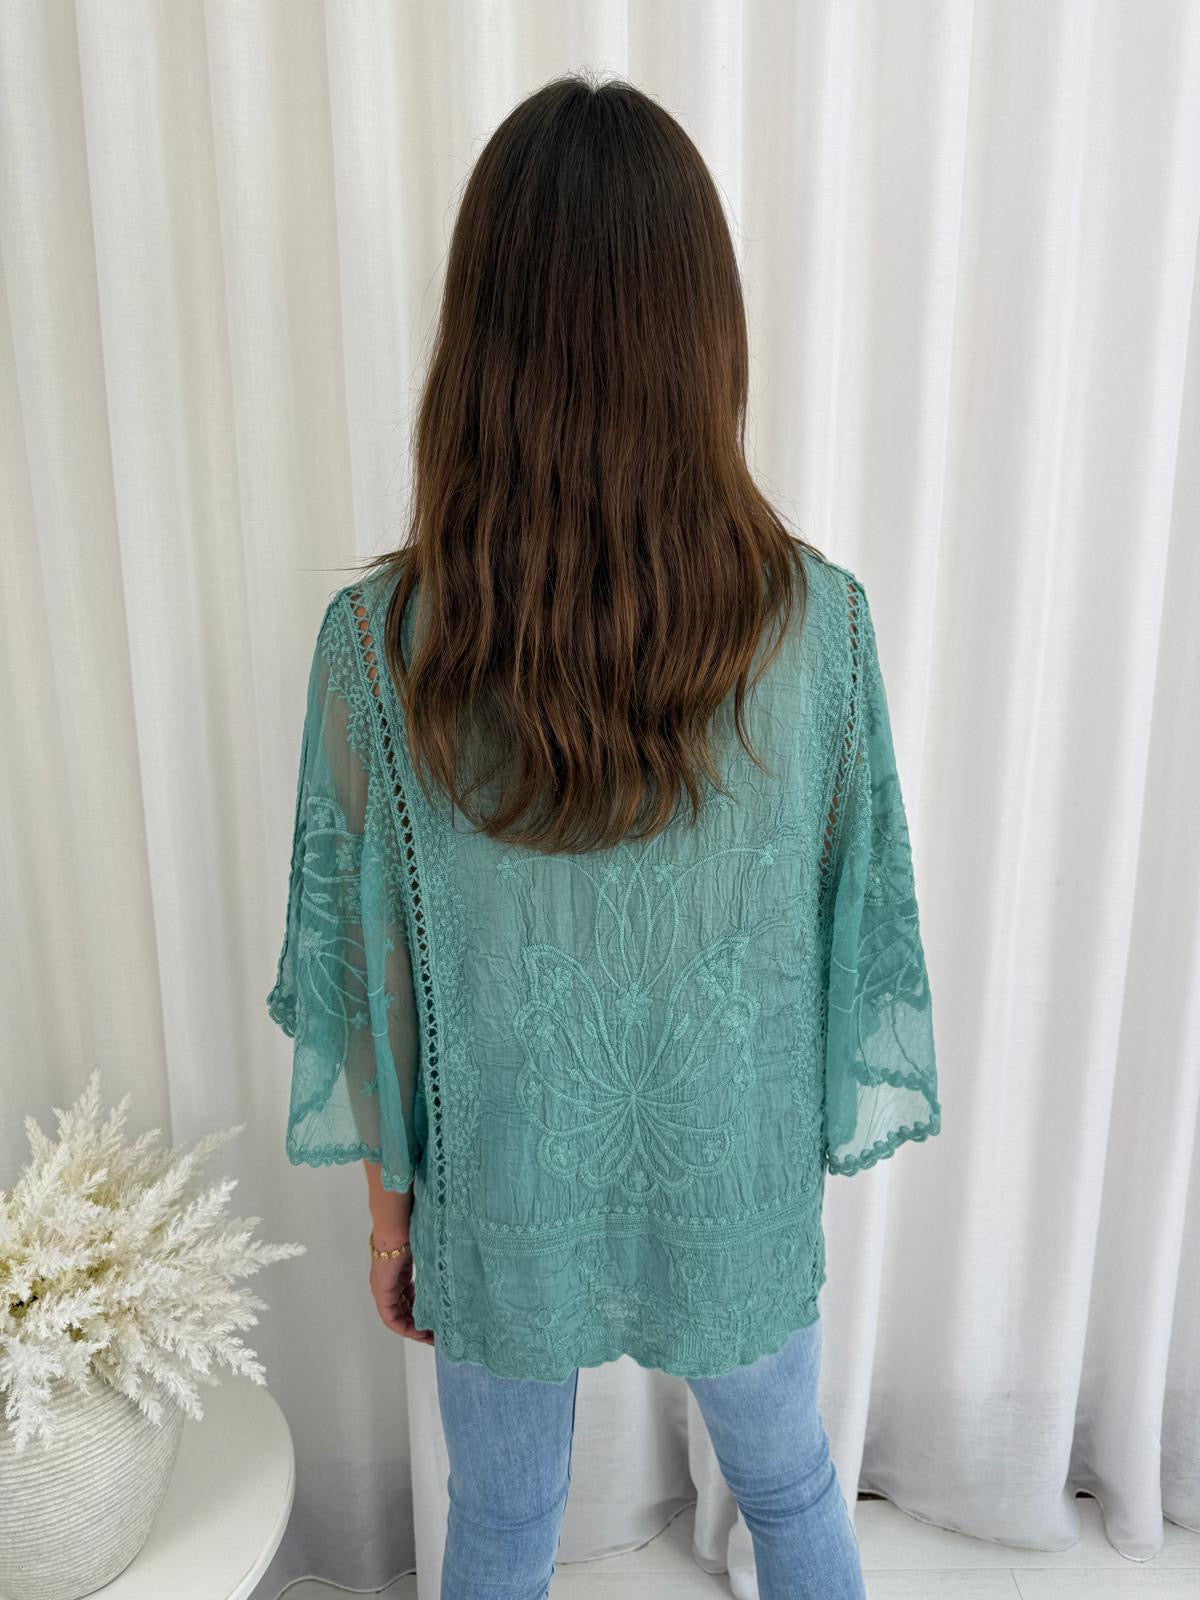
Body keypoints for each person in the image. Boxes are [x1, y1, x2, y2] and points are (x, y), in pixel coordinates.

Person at [266, 70, 940, 1600]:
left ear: (479, 337)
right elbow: (854, 939)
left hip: (502, 1187)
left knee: (505, 1520)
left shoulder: (378, 648)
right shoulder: (819, 628)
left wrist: (392, 1225)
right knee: (791, 1482)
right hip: (731, 1180)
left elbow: (369, 979)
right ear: (707, 334)